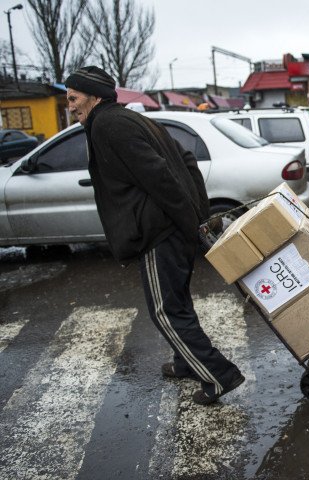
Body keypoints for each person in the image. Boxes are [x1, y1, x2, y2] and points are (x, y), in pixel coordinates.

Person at [64, 66, 244, 405]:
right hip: (171, 228)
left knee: (164, 310)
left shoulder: (107, 125)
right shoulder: (132, 119)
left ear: (94, 97)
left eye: (73, 98)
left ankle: (219, 375)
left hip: (159, 232)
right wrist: (197, 215)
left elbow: (160, 175)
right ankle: (184, 361)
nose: (70, 106)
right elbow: (186, 160)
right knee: (176, 301)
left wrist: (188, 221)